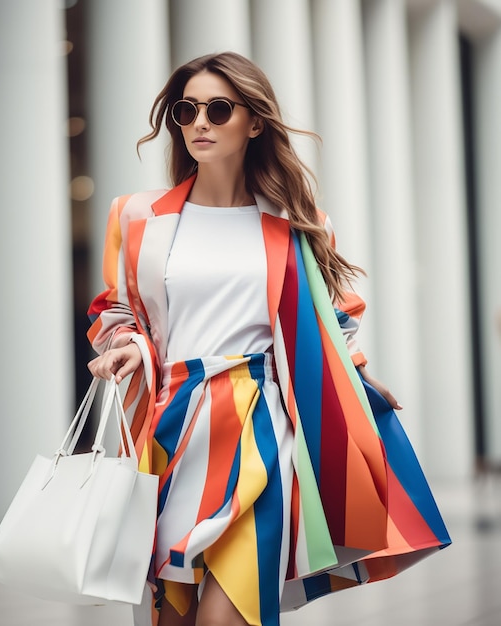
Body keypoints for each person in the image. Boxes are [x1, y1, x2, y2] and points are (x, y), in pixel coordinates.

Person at [87, 52, 450, 626]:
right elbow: (120, 310)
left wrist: (351, 372)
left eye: (218, 108)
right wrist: (128, 344)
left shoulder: (299, 220)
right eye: (187, 110)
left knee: (228, 615)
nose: (199, 122)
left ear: (255, 122)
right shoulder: (135, 218)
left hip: (264, 425)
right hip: (172, 427)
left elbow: (331, 317)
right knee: (170, 614)